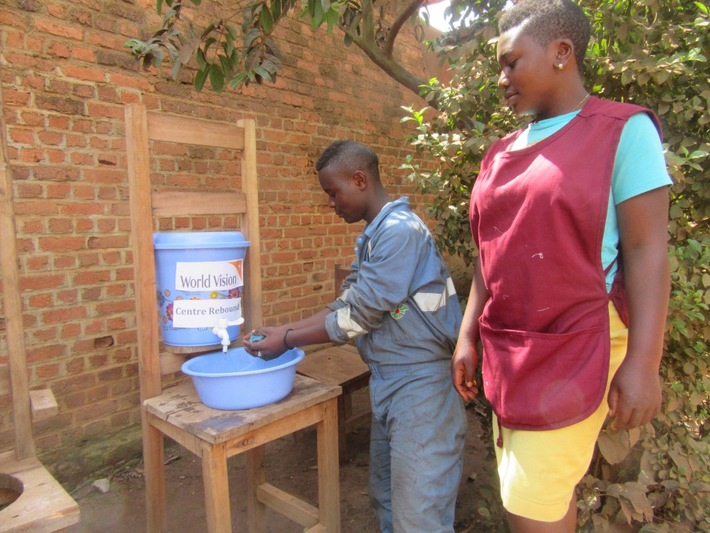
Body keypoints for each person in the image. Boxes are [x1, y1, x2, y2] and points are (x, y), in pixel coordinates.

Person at [450, 1, 671, 532]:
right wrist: (467, 333)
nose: (501, 79)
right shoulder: (499, 152)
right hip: (513, 349)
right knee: (540, 496)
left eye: (510, 62)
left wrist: (644, 364)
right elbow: (490, 252)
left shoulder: (622, 131)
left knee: (531, 507)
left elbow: (647, 249)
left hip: (578, 343)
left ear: (561, 52)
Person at [244, 140, 467, 533]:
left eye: (333, 192)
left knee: (419, 518)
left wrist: (289, 340)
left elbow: (359, 315)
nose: (331, 203)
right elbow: (347, 301)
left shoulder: (399, 232)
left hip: (422, 388)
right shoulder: (374, 238)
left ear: (360, 180)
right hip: (389, 382)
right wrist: (284, 330)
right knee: (387, 497)